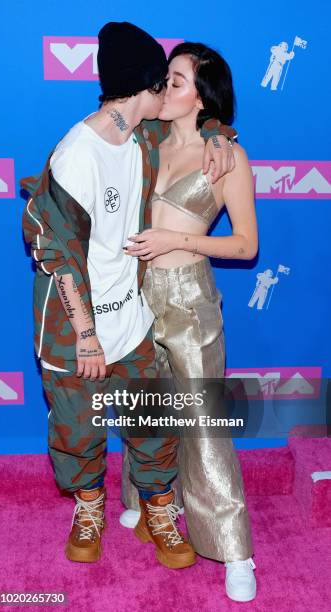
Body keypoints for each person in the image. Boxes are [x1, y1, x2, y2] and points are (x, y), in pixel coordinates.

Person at [21, 24, 235, 568]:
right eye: (163, 81)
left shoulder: (141, 138)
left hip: (133, 322)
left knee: (152, 425)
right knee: (78, 430)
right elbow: (59, 255)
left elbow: (195, 124)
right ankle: (89, 508)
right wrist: (88, 337)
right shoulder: (77, 155)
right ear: (145, 86)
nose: (168, 91)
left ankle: (160, 511)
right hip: (76, 331)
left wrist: (216, 129)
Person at [123, 42, 258, 602]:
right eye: (167, 78)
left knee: (204, 426)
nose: (165, 87)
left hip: (188, 298)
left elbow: (246, 244)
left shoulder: (225, 155)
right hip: (136, 296)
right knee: (148, 410)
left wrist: (175, 238)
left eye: (176, 81)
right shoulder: (145, 140)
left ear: (203, 97)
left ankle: (235, 548)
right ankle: (151, 499)